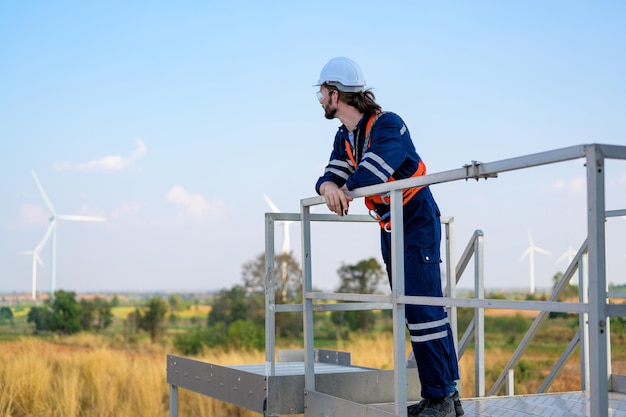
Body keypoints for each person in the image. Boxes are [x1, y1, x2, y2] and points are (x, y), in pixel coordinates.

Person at [313, 57, 464, 417]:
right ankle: (442, 395)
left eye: (321, 93)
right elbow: (328, 176)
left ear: (335, 94)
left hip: (416, 217)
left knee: (424, 307)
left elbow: (372, 173)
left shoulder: (388, 125)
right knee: (415, 309)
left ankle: (442, 396)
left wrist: (342, 189)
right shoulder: (345, 137)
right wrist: (329, 187)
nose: (319, 99)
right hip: (390, 224)